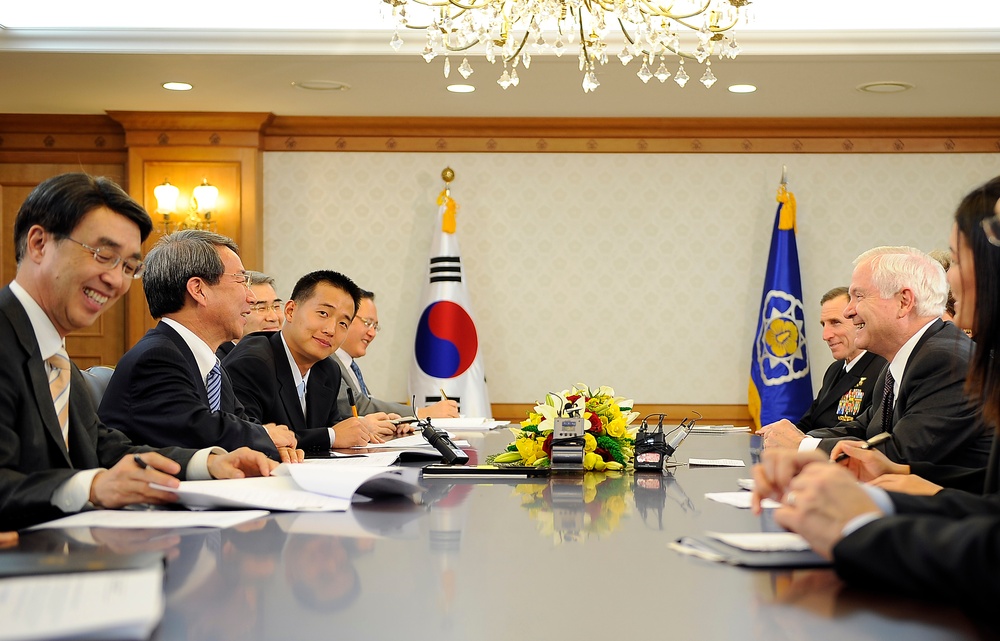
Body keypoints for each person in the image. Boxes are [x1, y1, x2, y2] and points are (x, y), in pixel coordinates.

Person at [751, 177, 1000, 619]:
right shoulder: (902, 359)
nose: (950, 280)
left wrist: (856, 527)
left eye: (959, 260)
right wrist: (879, 493)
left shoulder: (947, 357)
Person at [0, 173, 276, 530]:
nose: (116, 280)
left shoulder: (54, 352)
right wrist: (93, 486)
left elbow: (104, 448)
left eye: (128, 267)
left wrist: (205, 463)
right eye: (103, 255)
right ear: (39, 243)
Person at [758, 246, 992, 468]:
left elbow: (900, 456)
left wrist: (803, 446)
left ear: (904, 302)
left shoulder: (945, 361)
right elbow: (861, 430)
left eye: (858, 296)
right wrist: (790, 438)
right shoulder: (902, 361)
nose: (849, 311)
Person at [99, 230, 301, 463]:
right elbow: (196, 430)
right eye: (241, 280)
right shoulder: (157, 357)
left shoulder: (211, 365)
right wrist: (265, 435)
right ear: (199, 290)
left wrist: (278, 446)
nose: (251, 297)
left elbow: (241, 422)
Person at [223, 271, 399, 452]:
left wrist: (366, 431)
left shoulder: (328, 370)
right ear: (290, 311)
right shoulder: (252, 362)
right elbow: (249, 439)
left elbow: (336, 429)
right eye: (323, 313)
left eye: (343, 323)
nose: (331, 330)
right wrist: (330, 436)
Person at [334, 290, 459, 420]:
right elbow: (356, 406)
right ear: (345, 318)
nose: (372, 333)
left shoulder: (350, 367)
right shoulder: (326, 361)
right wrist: (419, 413)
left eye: (375, 326)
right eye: (367, 323)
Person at [793, 287, 886, 434]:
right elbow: (810, 420)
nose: (825, 335)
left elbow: (864, 433)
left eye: (835, 322)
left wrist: (804, 442)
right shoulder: (834, 369)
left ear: (859, 321)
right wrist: (782, 433)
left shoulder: (883, 370)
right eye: (823, 324)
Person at [216, 270, 283, 359]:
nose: (274, 317)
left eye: (276, 306)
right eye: (261, 308)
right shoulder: (219, 363)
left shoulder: (284, 357)